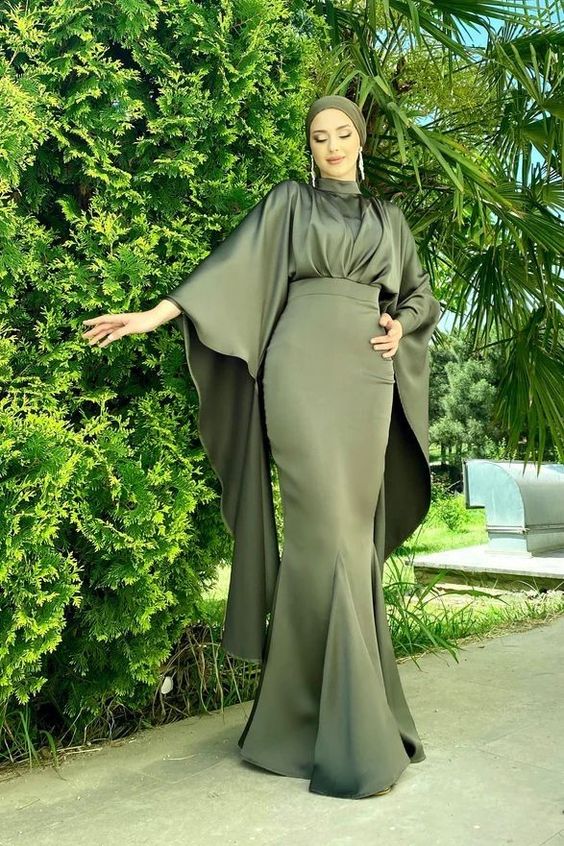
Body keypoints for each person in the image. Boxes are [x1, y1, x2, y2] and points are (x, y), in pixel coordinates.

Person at [82, 94, 441, 799]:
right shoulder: (289, 204)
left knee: (351, 540)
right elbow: (231, 270)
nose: (332, 145)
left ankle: (306, 722)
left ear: (360, 141)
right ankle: (338, 732)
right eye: (319, 136)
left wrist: (401, 324)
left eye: (343, 133)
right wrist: (155, 314)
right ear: (309, 146)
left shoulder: (388, 220)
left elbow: (420, 296)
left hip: (368, 377)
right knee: (323, 534)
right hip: (299, 367)